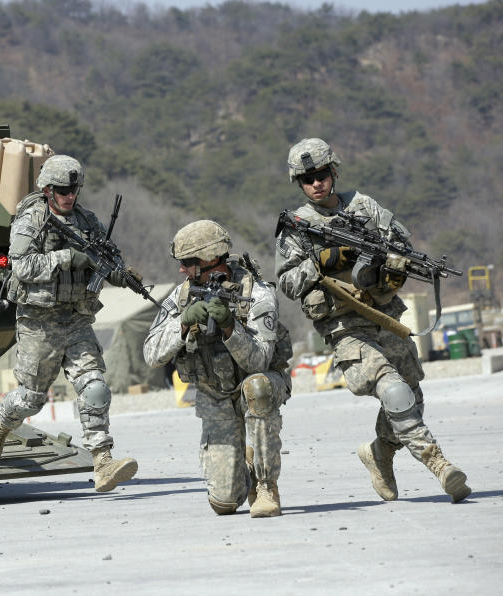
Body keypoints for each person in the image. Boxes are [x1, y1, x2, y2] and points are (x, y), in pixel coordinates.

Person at [275, 137, 470, 503]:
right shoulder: (298, 225)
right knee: (391, 387)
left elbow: (401, 248)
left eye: (320, 174)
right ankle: (440, 466)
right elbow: (286, 282)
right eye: (307, 179)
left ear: (333, 172)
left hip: (383, 315)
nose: (316, 183)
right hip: (345, 327)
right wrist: (323, 260)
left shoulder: (364, 206)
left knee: (410, 395)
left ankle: (380, 453)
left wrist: (394, 264)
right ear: (298, 184)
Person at [0, 155, 138, 492]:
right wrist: (66, 257)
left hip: (77, 318)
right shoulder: (31, 220)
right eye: (63, 190)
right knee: (31, 399)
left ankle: (102, 462)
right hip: (39, 323)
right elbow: (21, 266)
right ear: (48, 190)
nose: (70, 196)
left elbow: (108, 257)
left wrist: (120, 273)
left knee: (94, 385)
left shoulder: (86, 220)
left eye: (74, 189)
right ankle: (0, 420)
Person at [143, 221, 292, 516]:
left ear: (210, 260)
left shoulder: (257, 294)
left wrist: (229, 328)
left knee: (258, 388)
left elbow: (260, 361)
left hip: (256, 383)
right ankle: (244, 468)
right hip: (215, 395)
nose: (181, 270)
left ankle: (265, 486)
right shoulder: (181, 296)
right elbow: (151, 354)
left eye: (187, 262)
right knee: (224, 503)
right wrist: (183, 323)